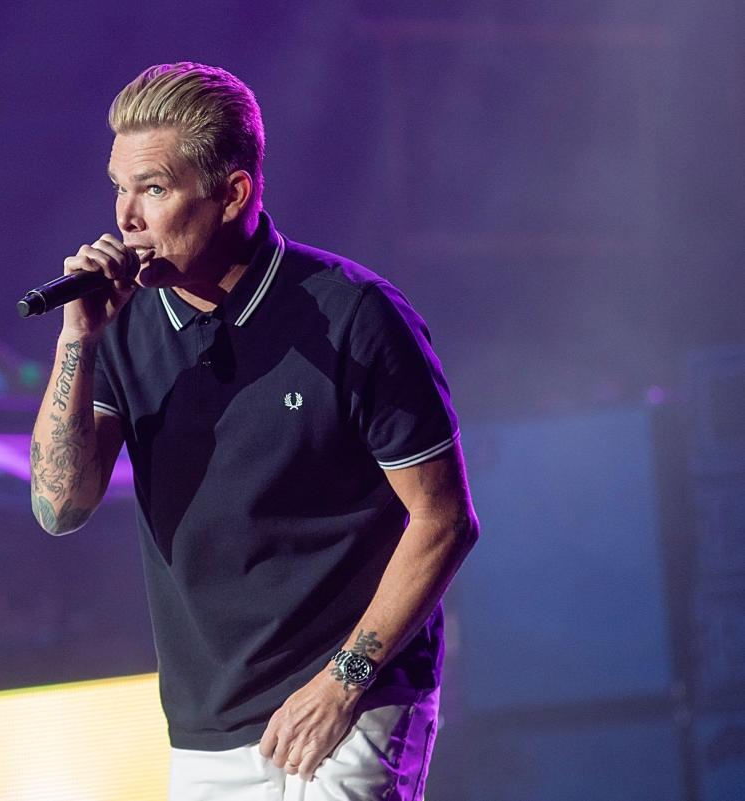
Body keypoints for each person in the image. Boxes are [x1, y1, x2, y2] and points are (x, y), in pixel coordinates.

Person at [28, 62, 479, 801]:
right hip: (209, 728)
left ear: (232, 193)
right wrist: (78, 337)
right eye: (118, 186)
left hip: (351, 706)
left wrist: (343, 681)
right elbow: (59, 506)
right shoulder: (122, 325)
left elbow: (446, 519)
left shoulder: (354, 314)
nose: (126, 218)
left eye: (153, 188)